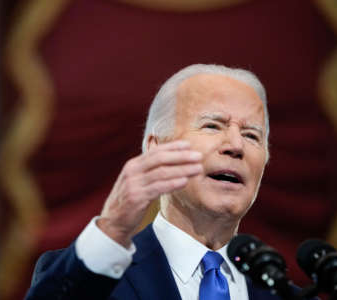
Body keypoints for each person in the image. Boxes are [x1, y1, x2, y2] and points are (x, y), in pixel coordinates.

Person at [25, 64, 293, 300]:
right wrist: (113, 228)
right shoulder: (96, 277)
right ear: (156, 149)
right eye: (212, 126)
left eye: (252, 135)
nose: (236, 145)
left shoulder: (287, 295)